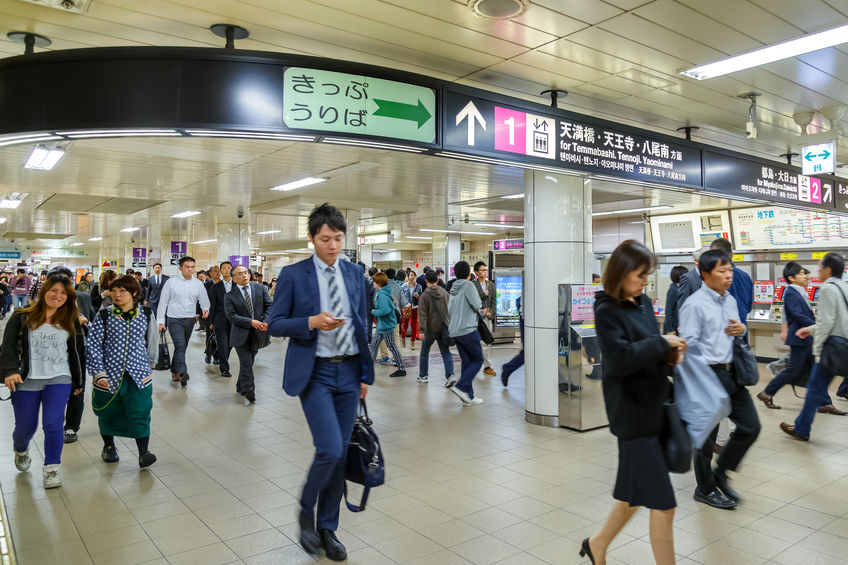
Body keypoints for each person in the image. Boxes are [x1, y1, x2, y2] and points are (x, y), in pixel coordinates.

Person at [266, 203, 373, 561]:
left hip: (348, 372)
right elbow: (276, 323)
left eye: (338, 238)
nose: (333, 245)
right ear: (312, 238)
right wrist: (310, 322)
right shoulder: (294, 275)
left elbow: (362, 324)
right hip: (316, 373)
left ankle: (328, 528)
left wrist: (364, 373)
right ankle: (305, 510)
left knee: (340, 455)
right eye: (325, 239)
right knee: (328, 448)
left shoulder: (355, 273)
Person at [583, 240, 685, 565]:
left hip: (654, 409)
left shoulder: (640, 303)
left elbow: (647, 348)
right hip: (632, 416)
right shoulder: (606, 310)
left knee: (633, 497)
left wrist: (669, 354)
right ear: (623, 273)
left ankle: (597, 544)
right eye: (640, 275)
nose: (645, 281)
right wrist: (660, 343)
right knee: (664, 505)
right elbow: (622, 358)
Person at [680, 249, 760, 510]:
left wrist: (742, 329)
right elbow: (688, 346)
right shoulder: (694, 305)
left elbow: (735, 329)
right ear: (705, 275)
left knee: (751, 427)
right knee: (706, 439)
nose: (728, 275)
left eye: (730, 270)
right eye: (722, 271)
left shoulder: (730, 300)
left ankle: (720, 474)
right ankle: (704, 489)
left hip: (731, 372)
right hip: (706, 375)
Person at [0, 272, 85, 489]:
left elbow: (77, 351)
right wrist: (9, 371)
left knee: (53, 423)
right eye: (54, 290)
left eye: (64, 293)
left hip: (59, 378)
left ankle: (52, 468)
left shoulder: (70, 317)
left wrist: (79, 381)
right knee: (25, 427)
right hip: (27, 379)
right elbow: (7, 345)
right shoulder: (22, 315)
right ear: (44, 291)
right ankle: (20, 448)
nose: (58, 296)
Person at [86, 275, 158, 468]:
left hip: (138, 374)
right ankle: (109, 447)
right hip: (109, 374)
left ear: (134, 293)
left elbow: (152, 339)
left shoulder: (146, 313)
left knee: (140, 410)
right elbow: (93, 345)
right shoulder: (105, 315)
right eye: (114, 290)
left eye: (123, 291)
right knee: (109, 411)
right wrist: (98, 372)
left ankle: (144, 452)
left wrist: (151, 363)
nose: (117, 295)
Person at [758, 262, 845, 415]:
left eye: (806, 273)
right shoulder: (791, 292)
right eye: (802, 274)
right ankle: (766, 393)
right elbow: (798, 315)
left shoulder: (801, 292)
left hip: (806, 338)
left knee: (817, 371)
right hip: (800, 339)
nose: (806, 276)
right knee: (792, 371)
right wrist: (817, 327)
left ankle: (824, 403)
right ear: (791, 278)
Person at [781, 253, 848, 441]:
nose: (816, 271)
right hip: (842, 345)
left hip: (830, 348)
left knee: (814, 389)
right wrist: (809, 329)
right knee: (816, 388)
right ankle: (802, 426)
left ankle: (802, 429)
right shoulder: (843, 287)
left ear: (828, 269)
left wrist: (817, 351)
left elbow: (826, 323)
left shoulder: (827, 288)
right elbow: (836, 320)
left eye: (819, 267)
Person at [156, 256, 210, 387]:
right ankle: (182, 372)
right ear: (180, 268)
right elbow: (163, 302)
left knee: (182, 347)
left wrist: (205, 308)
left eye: (192, 267)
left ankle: (175, 370)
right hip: (174, 319)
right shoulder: (171, 283)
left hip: (190, 320)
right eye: (187, 267)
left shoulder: (198, 283)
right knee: (180, 345)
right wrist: (161, 322)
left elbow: (204, 298)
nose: (190, 270)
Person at [225, 265, 272, 403]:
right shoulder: (229, 296)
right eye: (240, 274)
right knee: (246, 362)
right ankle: (250, 390)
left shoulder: (260, 289)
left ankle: (241, 386)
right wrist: (250, 322)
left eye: (246, 272)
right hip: (240, 334)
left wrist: (266, 321)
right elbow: (231, 316)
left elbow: (270, 306)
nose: (244, 275)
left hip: (258, 334)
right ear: (234, 278)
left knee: (249, 362)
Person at [447, 260, 487, 405]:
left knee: (467, 362)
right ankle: (460, 386)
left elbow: (449, 310)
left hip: (455, 330)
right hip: (468, 329)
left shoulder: (453, 289)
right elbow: (477, 304)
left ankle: (468, 397)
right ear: (468, 274)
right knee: (478, 360)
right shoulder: (468, 285)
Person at [417, 270, 454, 385]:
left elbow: (422, 314)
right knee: (445, 352)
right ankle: (450, 375)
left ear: (426, 281)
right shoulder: (445, 293)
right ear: (437, 280)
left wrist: (422, 330)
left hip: (430, 329)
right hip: (444, 327)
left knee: (424, 352)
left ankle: (423, 376)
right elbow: (450, 310)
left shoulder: (424, 296)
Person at [369, 272, 406, 377]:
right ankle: (368, 369)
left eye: (374, 281)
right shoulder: (385, 292)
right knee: (374, 346)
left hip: (386, 325)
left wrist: (373, 312)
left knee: (391, 346)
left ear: (378, 283)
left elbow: (384, 310)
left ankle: (402, 368)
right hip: (383, 325)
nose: (373, 283)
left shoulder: (382, 295)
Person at [208, 260, 235, 378]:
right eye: (224, 268)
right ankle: (224, 369)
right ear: (221, 271)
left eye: (229, 268)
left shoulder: (237, 285)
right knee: (223, 344)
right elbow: (212, 306)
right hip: (220, 320)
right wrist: (211, 322)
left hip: (235, 321)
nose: (227, 270)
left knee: (230, 344)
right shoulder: (216, 288)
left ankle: (219, 355)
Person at [473, 261, 497, 377]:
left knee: (487, 341)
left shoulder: (490, 284)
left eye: (485, 270)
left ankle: (487, 366)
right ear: (476, 272)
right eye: (482, 270)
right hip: (475, 318)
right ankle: (477, 364)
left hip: (487, 318)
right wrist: (483, 294)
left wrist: (491, 313)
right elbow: (473, 301)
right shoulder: (472, 285)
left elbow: (493, 301)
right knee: (476, 342)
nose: (485, 272)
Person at [501, 295, 524, 387]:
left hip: (531, 318)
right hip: (527, 319)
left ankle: (561, 381)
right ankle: (507, 368)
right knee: (528, 352)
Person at [662, 266, 688, 335]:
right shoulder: (673, 289)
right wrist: (669, 328)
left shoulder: (680, 288)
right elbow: (668, 309)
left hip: (678, 325)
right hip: (672, 327)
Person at [401, 270, 422, 350]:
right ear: (408, 276)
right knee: (404, 325)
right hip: (406, 308)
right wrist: (404, 305)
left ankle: (412, 343)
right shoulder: (403, 286)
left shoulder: (418, 286)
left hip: (415, 307)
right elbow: (401, 297)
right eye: (411, 275)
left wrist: (418, 296)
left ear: (416, 276)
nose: (412, 276)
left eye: (414, 275)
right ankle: (403, 340)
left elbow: (421, 296)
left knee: (414, 326)